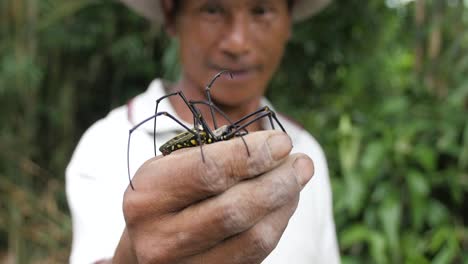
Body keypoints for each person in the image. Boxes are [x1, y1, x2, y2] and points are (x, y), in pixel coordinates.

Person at [66, 0, 340, 263]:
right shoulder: (104, 145)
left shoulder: (306, 150)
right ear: (171, 15)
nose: (237, 43)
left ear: (289, 20)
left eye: (261, 9)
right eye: (212, 9)